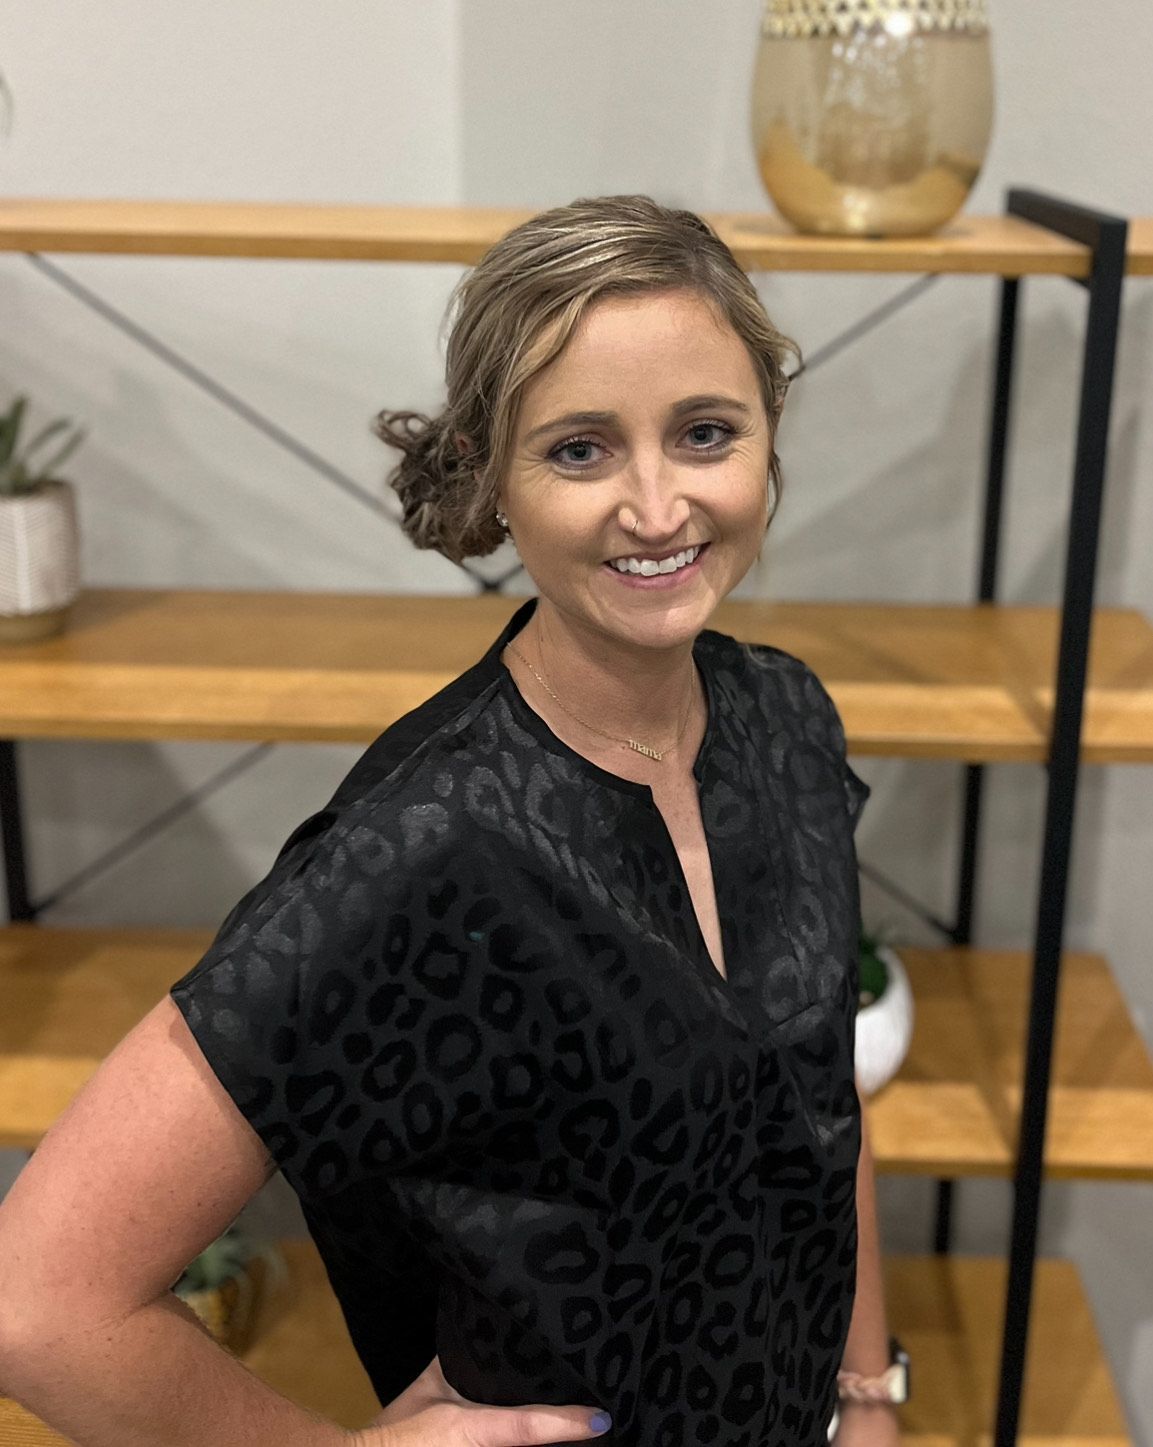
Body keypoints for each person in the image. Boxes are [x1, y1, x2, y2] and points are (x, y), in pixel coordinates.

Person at [0, 194, 897, 1447]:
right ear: (491, 474)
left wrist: (867, 1394)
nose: (655, 507)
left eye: (703, 432)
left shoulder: (785, 718)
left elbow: (821, 1101)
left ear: (767, 441)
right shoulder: (426, 845)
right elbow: (40, 1302)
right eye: (579, 449)